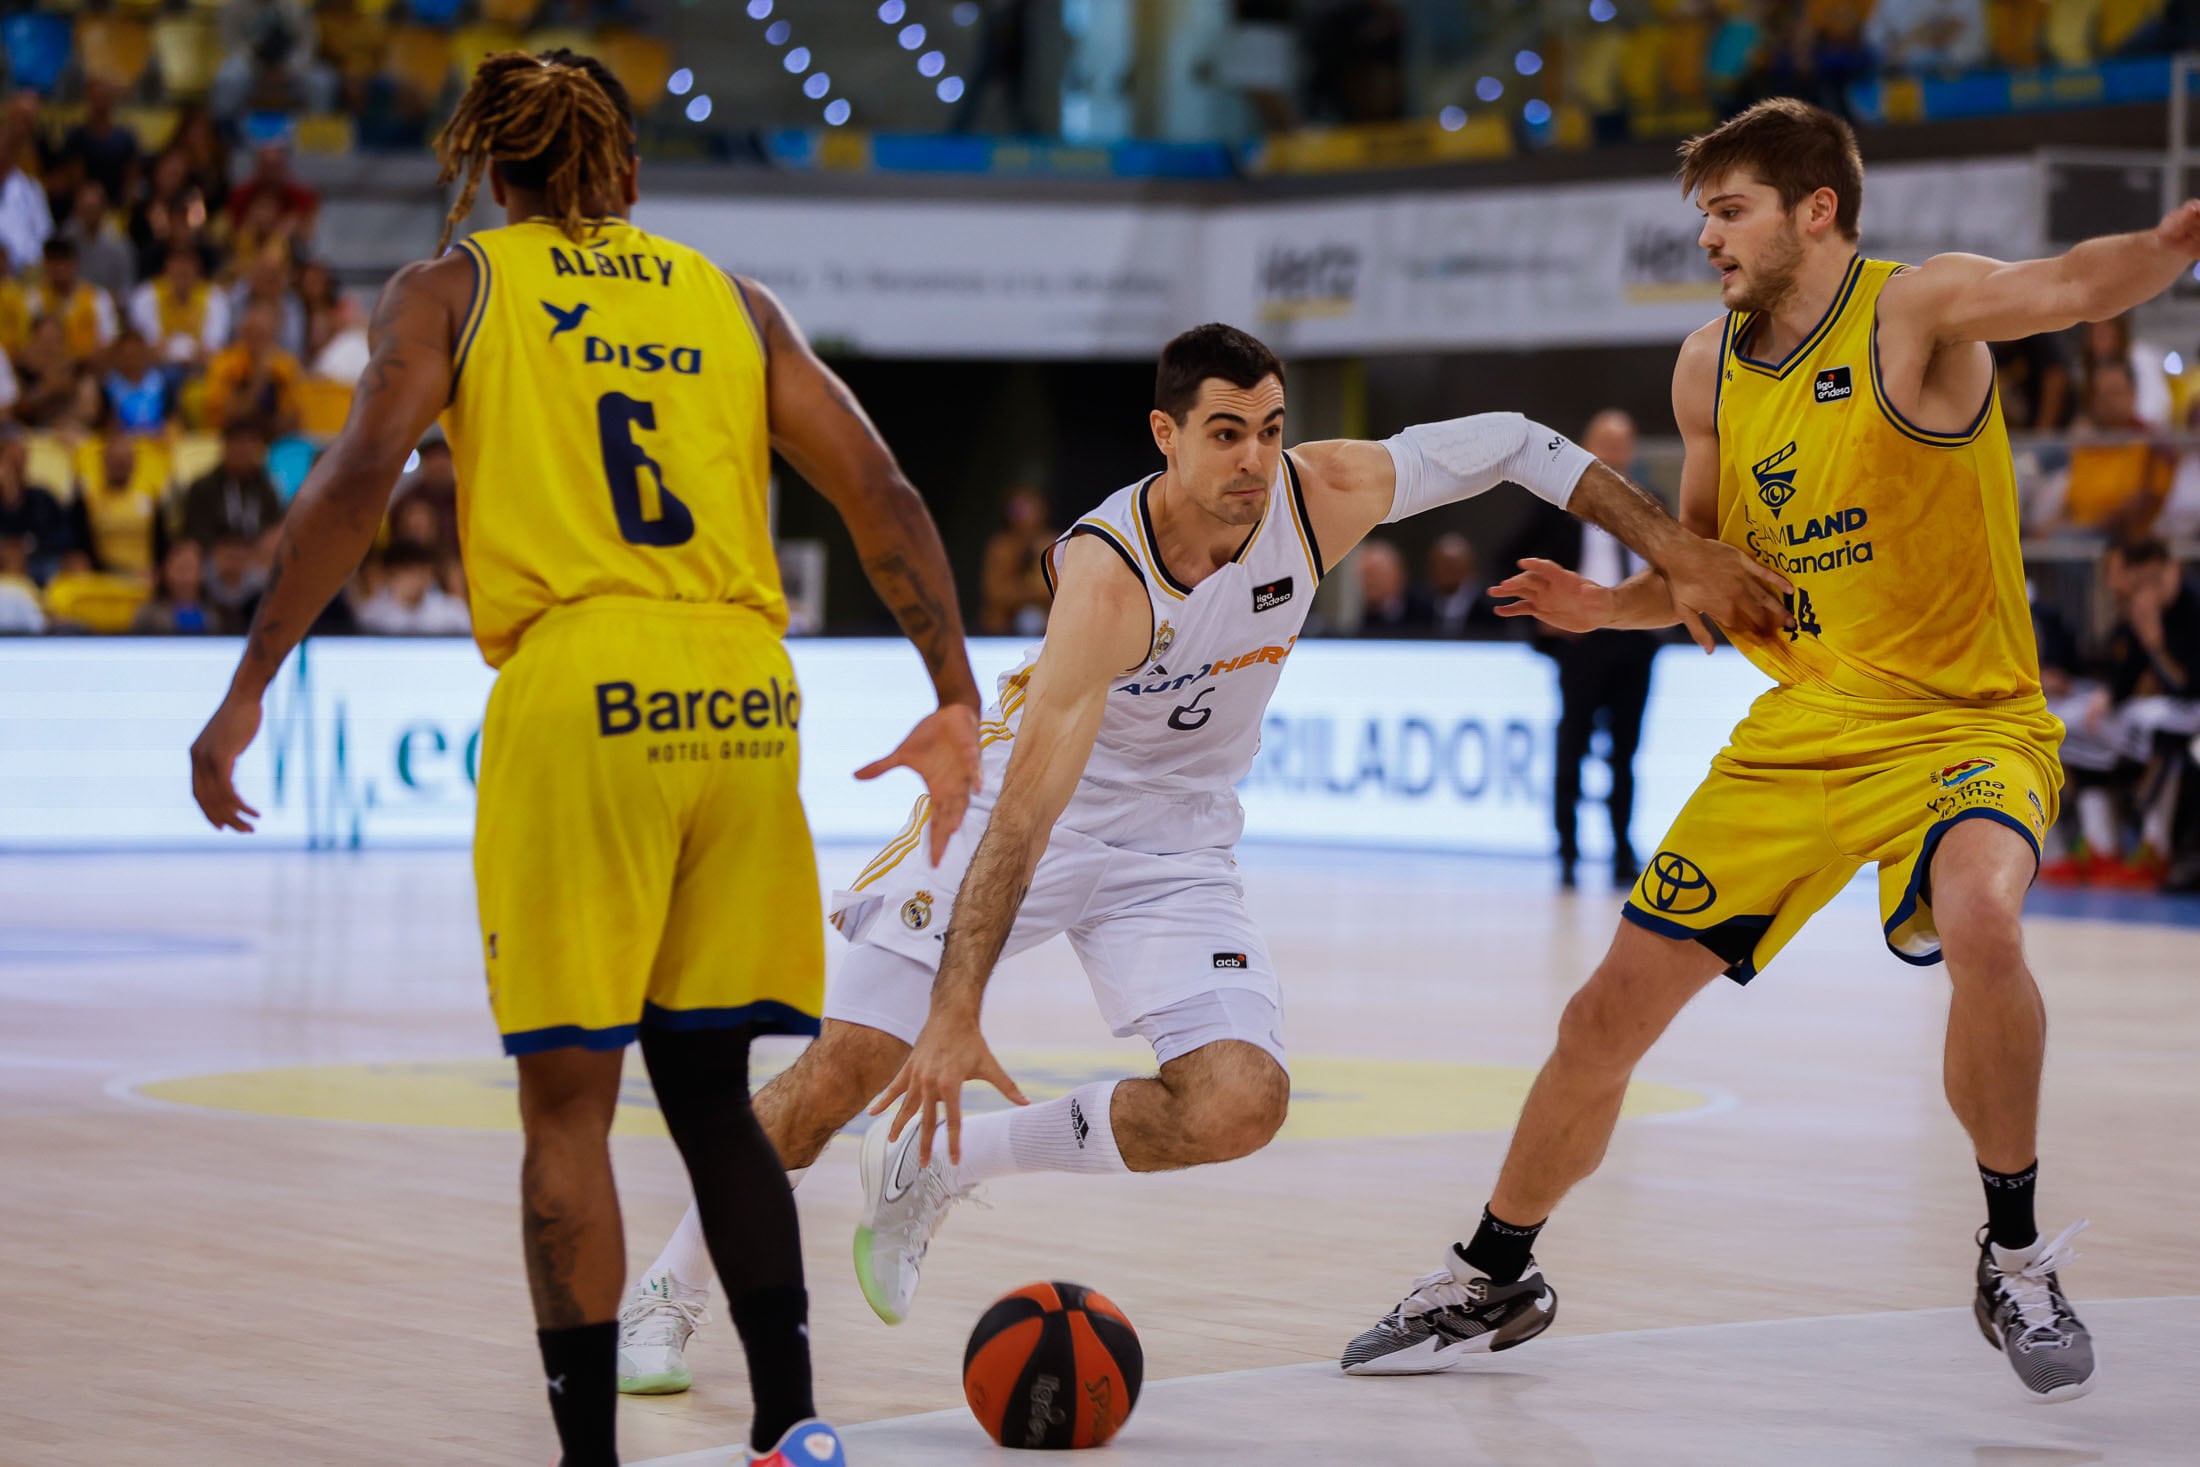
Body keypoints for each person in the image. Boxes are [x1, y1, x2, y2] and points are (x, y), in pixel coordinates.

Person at [611, 322, 1786, 1395]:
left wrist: (1673, 549)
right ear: (1167, 436)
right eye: (1226, 433)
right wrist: (958, 1010)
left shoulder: (1319, 498)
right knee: (843, 1070)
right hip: (1024, 816)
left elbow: (1517, 443)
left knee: (1238, 1103)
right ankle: (667, 1290)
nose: (1253, 459)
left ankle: (946, 1164)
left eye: (1270, 429)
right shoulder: (1107, 578)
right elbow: (1025, 813)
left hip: (1173, 842)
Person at [186, 49, 984, 1467]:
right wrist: (954, 692)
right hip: (743, 693)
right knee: (709, 1089)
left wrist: (250, 681)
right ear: (625, 172)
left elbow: (362, 476)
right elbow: (883, 488)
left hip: (583, 687)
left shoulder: (453, 287)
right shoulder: (731, 302)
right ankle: (795, 1422)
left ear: (491, 171)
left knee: (568, 1101)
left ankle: (587, 1458)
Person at [1344, 96, 2200, 1405]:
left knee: (1981, 917)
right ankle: (1494, 1268)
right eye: (1701, 212)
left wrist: (2178, 238)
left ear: (1817, 211)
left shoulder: (1917, 311)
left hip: (1966, 721)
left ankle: (2015, 1252)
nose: (1707, 235)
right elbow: (1713, 579)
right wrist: (1616, 603)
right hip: (1802, 734)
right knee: (1603, 1016)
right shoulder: (1707, 370)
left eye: (1729, 208)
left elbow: (2078, 283)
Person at [1505, 408, 1661, 888]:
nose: (1614, 453)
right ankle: (1568, 850)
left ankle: (1620, 851)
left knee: (1626, 752)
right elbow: (1510, 558)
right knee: (1571, 745)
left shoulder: (1651, 503)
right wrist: (1545, 624)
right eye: (1605, 443)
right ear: (1586, 447)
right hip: (1582, 642)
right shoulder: (1557, 504)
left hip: (1635, 640)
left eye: (1622, 444)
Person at [178, 417, 283, 553]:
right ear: (225, 446)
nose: (244, 450)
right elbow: (194, 537)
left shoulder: (267, 489)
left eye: (250, 442)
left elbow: (273, 531)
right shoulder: (203, 488)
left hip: (256, 562)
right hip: (212, 562)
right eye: (238, 442)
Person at [203, 301, 305, 436]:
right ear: (242, 332)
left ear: (273, 335)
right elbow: (231, 419)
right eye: (250, 332)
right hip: (230, 440)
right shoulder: (224, 363)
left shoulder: (286, 365)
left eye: (262, 334)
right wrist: (259, 377)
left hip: (274, 440)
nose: (255, 340)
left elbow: (293, 420)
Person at [130, 244, 230, 368]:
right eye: (177, 264)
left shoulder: (215, 297)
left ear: (197, 268)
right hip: (157, 368)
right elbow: (143, 348)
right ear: (166, 266)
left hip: (199, 368)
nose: (182, 269)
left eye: (188, 264)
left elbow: (213, 349)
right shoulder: (146, 295)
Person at [977, 484, 1056, 635]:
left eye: (1029, 506)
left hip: (1047, 626)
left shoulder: (1052, 543)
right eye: (1017, 507)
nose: (1023, 513)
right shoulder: (1000, 547)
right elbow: (996, 592)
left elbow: (1054, 589)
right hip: (1002, 628)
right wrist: (1030, 592)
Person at [0, 423, 71, 584]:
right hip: (5, 564)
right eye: (10, 461)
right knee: (13, 554)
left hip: (42, 562)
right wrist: (10, 497)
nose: (16, 467)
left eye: (20, 459)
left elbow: (64, 537)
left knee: (75, 561)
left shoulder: (42, 497)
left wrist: (32, 545)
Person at [31, 237, 119, 364]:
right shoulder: (34, 299)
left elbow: (109, 343)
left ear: (75, 263)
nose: (60, 268)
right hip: (45, 370)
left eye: (64, 261)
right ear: (45, 264)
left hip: (88, 369)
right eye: (54, 262)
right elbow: (28, 346)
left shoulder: (98, 297)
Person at [54, 80, 139, 210]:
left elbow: (130, 180)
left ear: (113, 100)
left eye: (105, 97)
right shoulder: (77, 136)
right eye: (96, 97)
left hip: (115, 210)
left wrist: (124, 210)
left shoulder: (126, 139)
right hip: (83, 209)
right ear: (89, 98)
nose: (101, 102)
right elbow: (74, 179)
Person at [355, 539, 470, 634]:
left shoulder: (452, 611)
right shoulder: (373, 613)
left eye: (420, 572)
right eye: (408, 572)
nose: (414, 579)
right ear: (392, 575)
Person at [59, 180, 136, 303]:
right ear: (77, 208)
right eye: (84, 208)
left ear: (103, 209)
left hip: (108, 308)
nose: (88, 214)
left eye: (92, 209)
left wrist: (102, 301)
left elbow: (127, 290)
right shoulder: (66, 238)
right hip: (71, 306)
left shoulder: (120, 245)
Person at [132, 536, 224, 633]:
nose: (185, 576)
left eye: (190, 568)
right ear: (165, 571)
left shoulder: (215, 614)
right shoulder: (148, 615)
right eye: (180, 569)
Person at [1423, 532, 1503, 639]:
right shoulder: (1420, 603)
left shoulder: (1489, 606)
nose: (1446, 572)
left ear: (1469, 568)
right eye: (1441, 565)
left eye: (1453, 566)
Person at [1350, 536, 1426, 634]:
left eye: (1372, 574)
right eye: (1363, 575)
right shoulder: (1362, 614)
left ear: (1396, 574)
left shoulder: (1425, 606)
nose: (1368, 582)